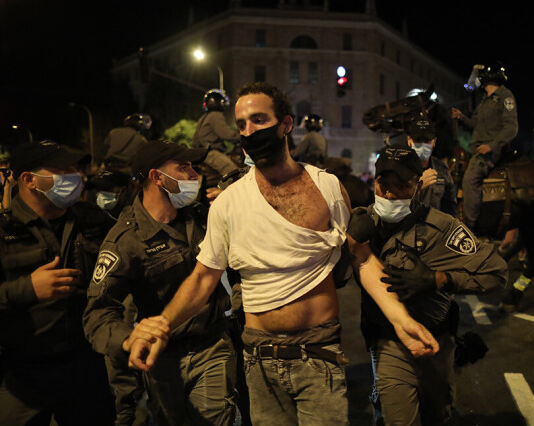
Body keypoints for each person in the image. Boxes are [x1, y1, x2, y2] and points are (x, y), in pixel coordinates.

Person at [123, 82, 439, 426]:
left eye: (258, 120)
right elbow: (202, 278)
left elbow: (360, 257)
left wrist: (400, 318)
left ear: (286, 124)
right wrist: (162, 325)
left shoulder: (327, 186)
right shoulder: (228, 203)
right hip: (259, 361)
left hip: (319, 356)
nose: (248, 131)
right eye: (242, 124)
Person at [83, 140, 238, 426]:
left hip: (212, 347)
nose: (194, 174)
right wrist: (129, 339)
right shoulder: (125, 239)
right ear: (156, 177)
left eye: (193, 166)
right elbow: (98, 312)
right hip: (162, 359)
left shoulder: (203, 217)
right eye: (183, 167)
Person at [352, 144, 508, 425]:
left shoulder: (441, 227)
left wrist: (439, 279)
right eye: (383, 185)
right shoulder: (360, 222)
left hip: (437, 342)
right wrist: (350, 243)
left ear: (416, 185)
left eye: (400, 186)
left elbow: (496, 273)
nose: (389, 194)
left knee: (437, 414)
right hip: (389, 342)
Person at [0, 140, 116, 425]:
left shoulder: (94, 220)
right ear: (29, 180)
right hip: (21, 372)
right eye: (62, 169)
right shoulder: (4, 231)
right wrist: (27, 289)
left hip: (85, 366)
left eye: (75, 168)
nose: (75, 175)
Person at [452, 62, 518, 232]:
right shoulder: (484, 101)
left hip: (492, 152)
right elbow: (476, 124)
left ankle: (470, 225)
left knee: (470, 178)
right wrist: (462, 118)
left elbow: (511, 127)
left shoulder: (505, 96)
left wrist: (492, 146)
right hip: (477, 149)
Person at [405, 114, 458, 216]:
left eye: (427, 141)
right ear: (409, 141)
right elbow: (394, 208)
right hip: (408, 228)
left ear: (434, 142)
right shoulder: (400, 168)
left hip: (434, 229)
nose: (422, 145)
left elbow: (450, 208)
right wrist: (417, 188)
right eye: (418, 140)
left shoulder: (441, 170)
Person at [193, 88, 240, 177]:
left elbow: (195, 139)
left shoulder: (203, 118)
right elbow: (226, 134)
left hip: (201, 153)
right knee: (234, 173)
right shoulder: (216, 115)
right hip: (211, 153)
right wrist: (241, 137)